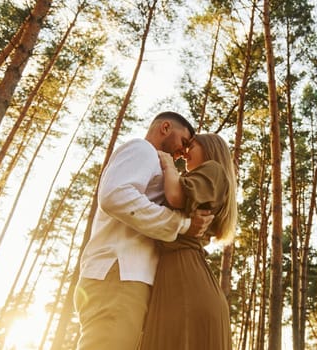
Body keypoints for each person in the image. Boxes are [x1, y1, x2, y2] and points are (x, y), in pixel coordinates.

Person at [74, 111, 215, 350]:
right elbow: (115, 195)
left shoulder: (159, 166)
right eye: (183, 142)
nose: (183, 152)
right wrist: (181, 225)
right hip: (119, 272)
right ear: (165, 127)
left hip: (129, 277)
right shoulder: (143, 150)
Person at [140, 133, 238, 350]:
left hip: (186, 281)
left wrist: (168, 163)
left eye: (191, 145)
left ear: (209, 149)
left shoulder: (213, 169)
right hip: (185, 278)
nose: (184, 152)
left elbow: (175, 195)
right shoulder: (205, 182)